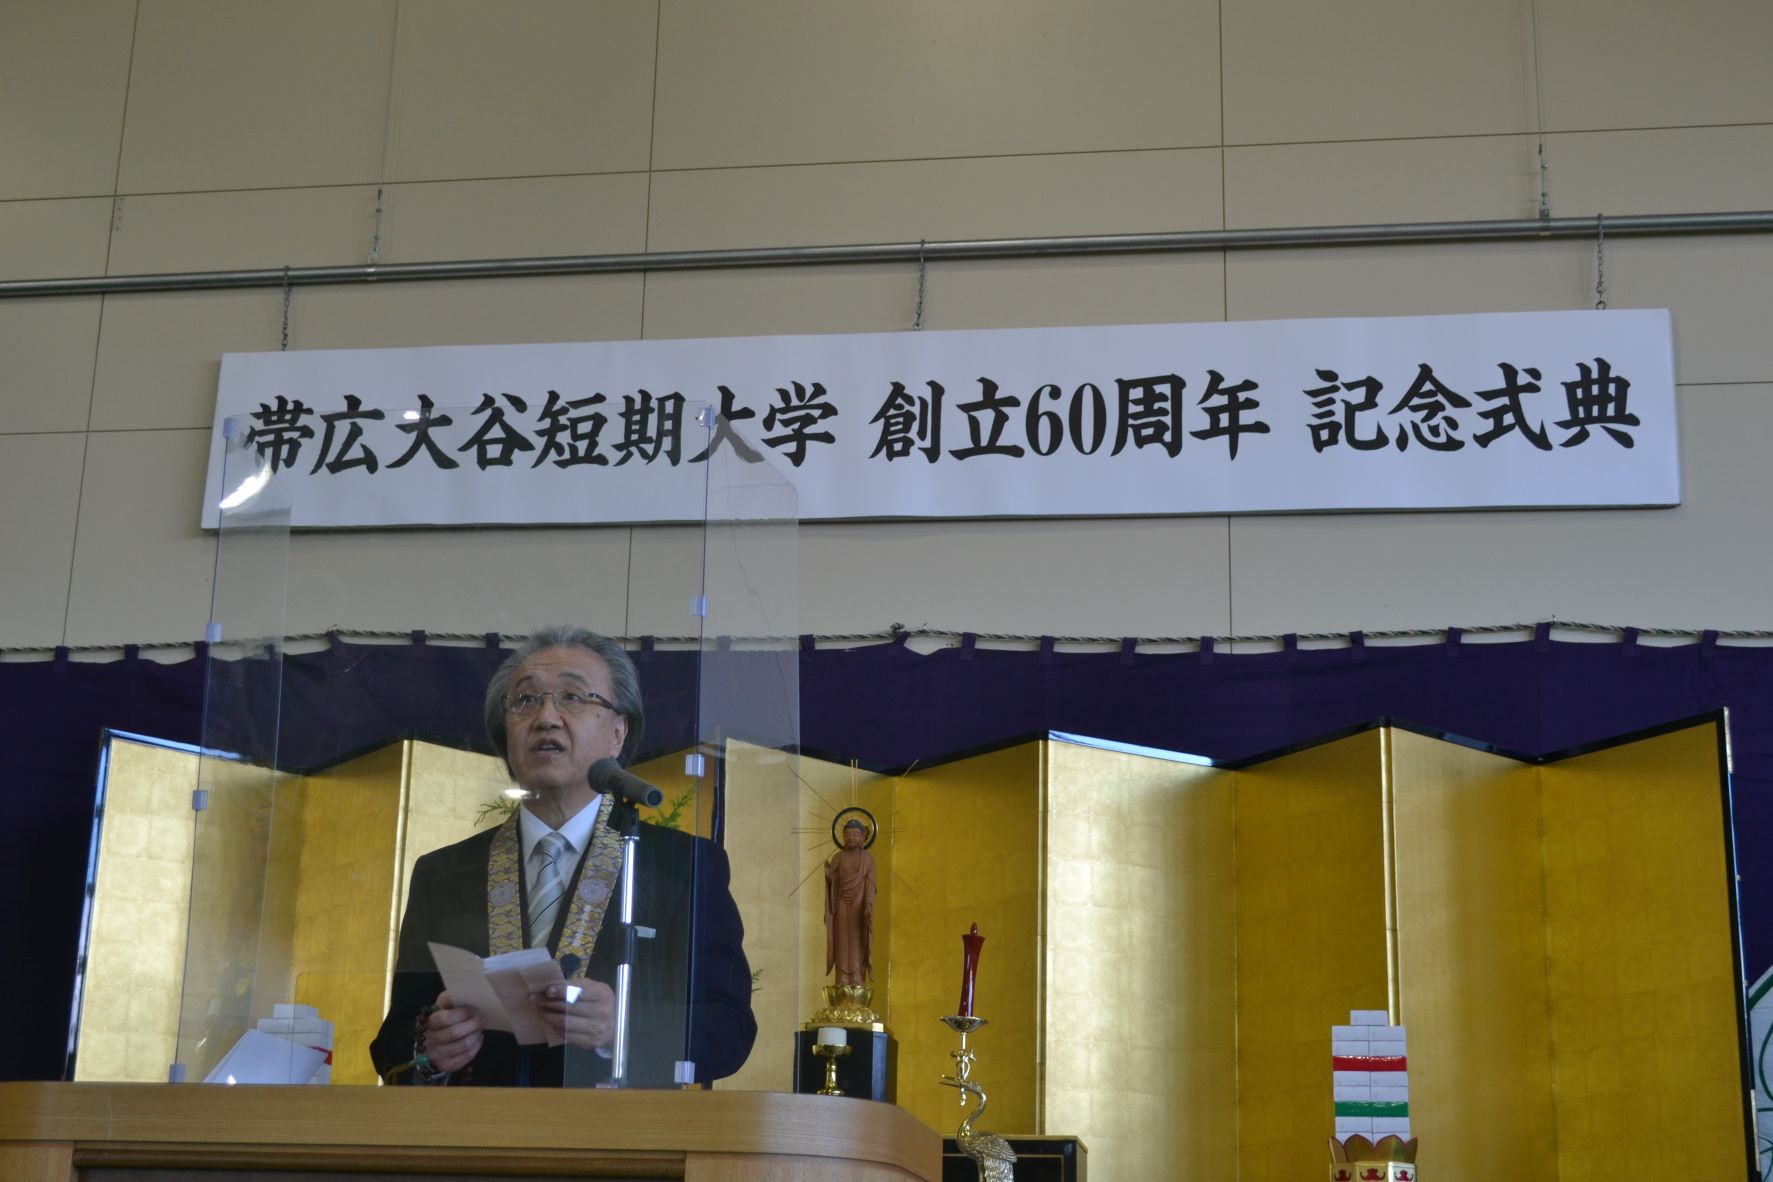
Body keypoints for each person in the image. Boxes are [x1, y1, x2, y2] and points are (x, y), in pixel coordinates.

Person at [370, 626, 756, 1087]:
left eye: (573, 697)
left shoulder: (683, 867)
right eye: (525, 700)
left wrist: (621, 1026)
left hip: (619, 1129)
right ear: (505, 734)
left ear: (617, 733)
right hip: (476, 1128)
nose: (546, 717)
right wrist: (430, 1050)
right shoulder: (443, 874)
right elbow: (391, 1042)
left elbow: (729, 1029)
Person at [824, 818, 876, 986]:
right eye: (847, 834)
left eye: (855, 834)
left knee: (856, 937)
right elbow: (833, 879)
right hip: (840, 901)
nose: (851, 837)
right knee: (842, 937)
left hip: (859, 902)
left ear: (863, 837)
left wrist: (868, 905)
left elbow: (871, 884)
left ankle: (856, 975)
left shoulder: (867, 858)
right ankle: (842, 975)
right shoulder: (838, 857)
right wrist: (829, 877)